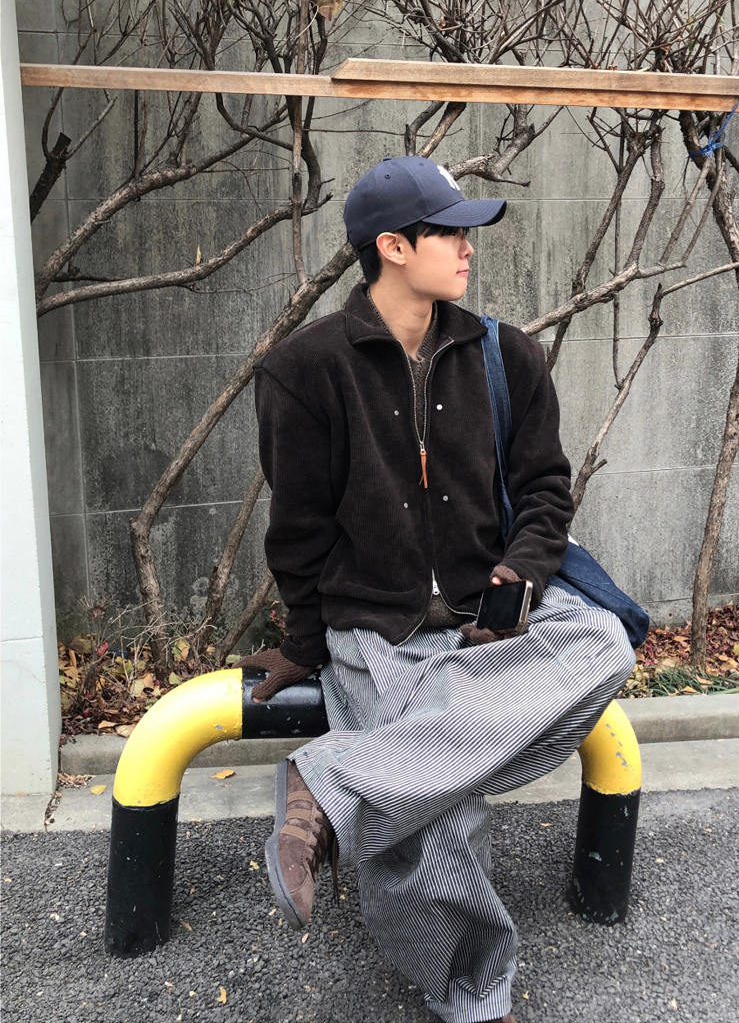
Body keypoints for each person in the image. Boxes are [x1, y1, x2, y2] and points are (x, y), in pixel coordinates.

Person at [239, 156, 635, 1023]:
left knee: (604, 642)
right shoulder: (304, 372)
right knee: (442, 817)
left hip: (487, 620)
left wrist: (517, 580)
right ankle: (474, 995)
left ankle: (332, 782)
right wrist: (307, 645)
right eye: (450, 232)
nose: (467, 248)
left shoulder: (505, 355)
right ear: (391, 247)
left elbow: (545, 492)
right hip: (379, 628)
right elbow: (298, 532)